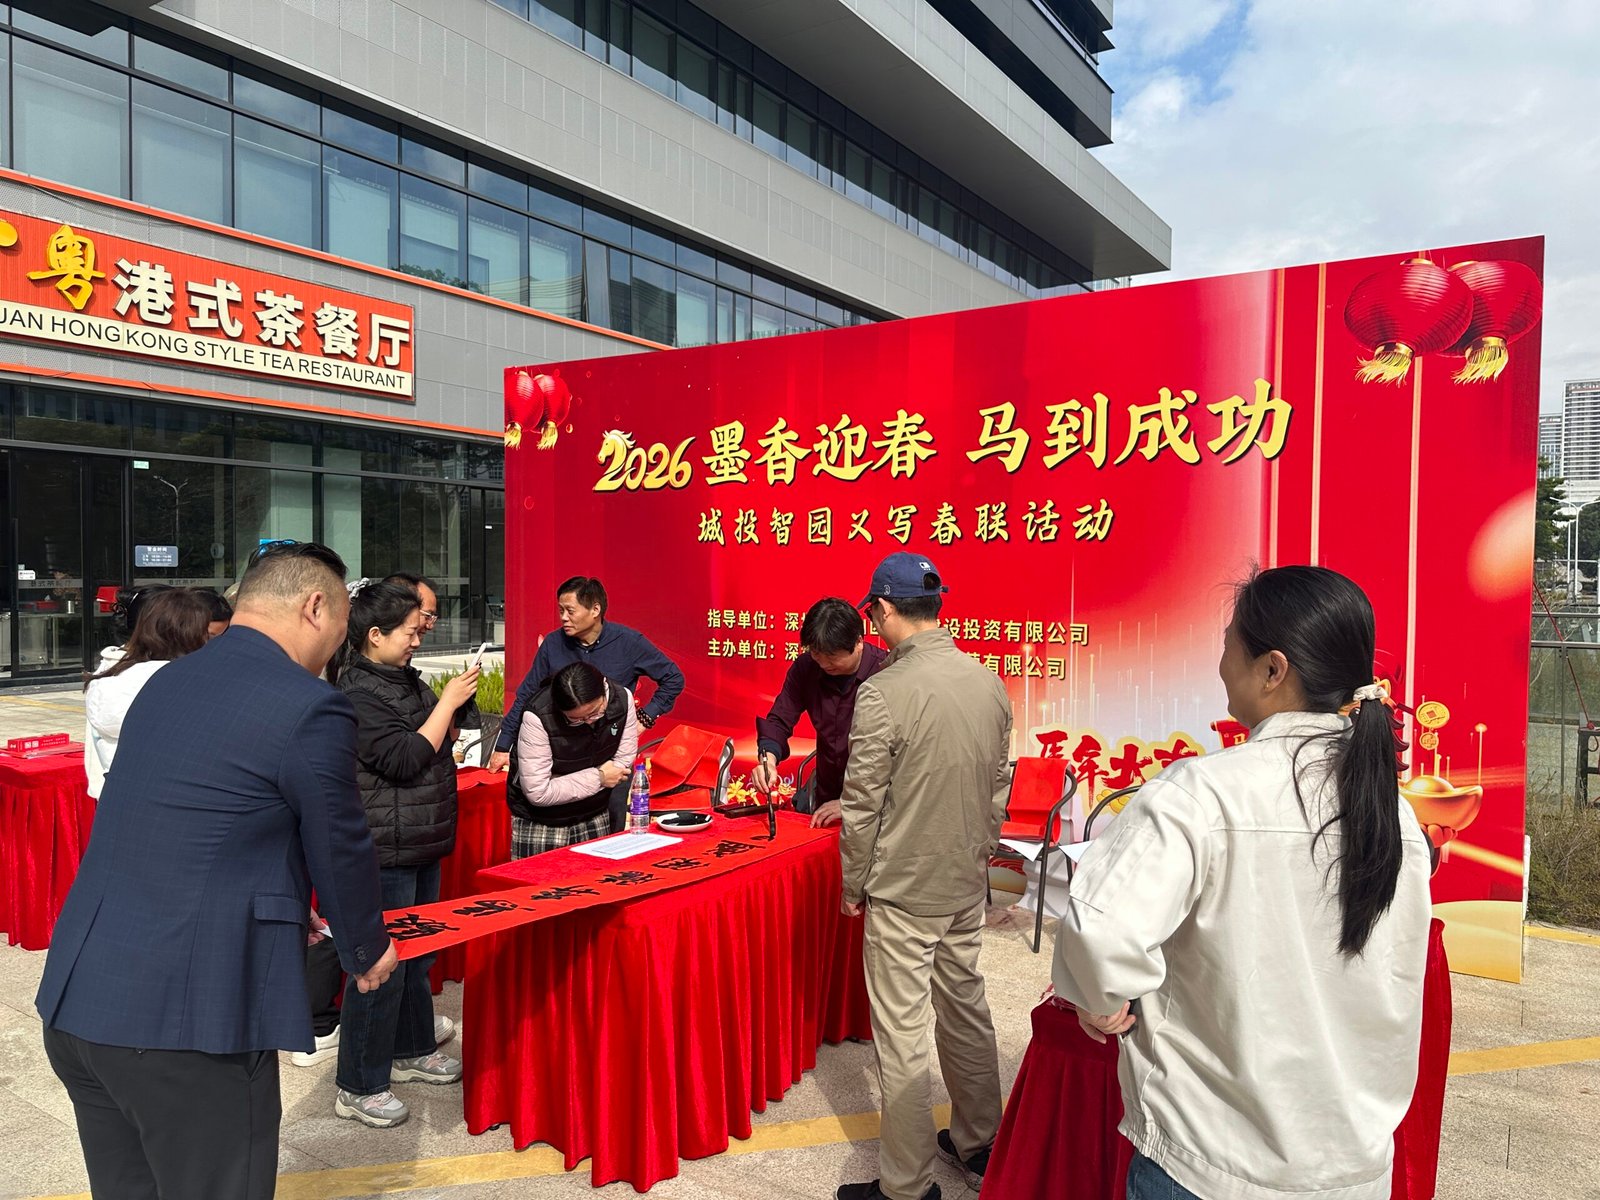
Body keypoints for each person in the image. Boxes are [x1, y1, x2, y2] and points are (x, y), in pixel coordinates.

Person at [1051, 566, 1433, 1200]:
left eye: (1229, 641)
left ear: (1272, 669)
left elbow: (1099, 931)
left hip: (1209, 1159)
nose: (1221, 661)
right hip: (1350, 1165)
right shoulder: (1393, 813)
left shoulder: (1201, 794)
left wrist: (1104, 999)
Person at [36, 541, 396, 1200]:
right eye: (342, 627)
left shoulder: (165, 679)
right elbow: (340, 842)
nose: (337, 649)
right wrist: (366, 947)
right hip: (186, 1024)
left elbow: (198, 822)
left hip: (82, 1001)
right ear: (315, 607)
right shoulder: (307, 703)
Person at [836, 552, 1013, 1200]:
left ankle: (905, 1187)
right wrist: (979, 849)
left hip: (904, 892)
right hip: (964, 882)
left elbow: (862, 808)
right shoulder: (987, 681)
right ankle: (981, 1145)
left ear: (881, 611)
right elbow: (1000, 781)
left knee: (903, 1038)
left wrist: (852, 887)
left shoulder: (884, 693)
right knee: (966, 1011)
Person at [325, 579, 479, 1127]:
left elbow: (435, 738)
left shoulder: (402, 679)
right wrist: (448, 705)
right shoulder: (356, 693)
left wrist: (454, 706)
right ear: (374, 635)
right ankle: (359, 1083)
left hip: (418, 838)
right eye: (411, 631)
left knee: (418, 956)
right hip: (385, 848)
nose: (419, 639)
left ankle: (412, 1050)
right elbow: (406, 757)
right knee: (380, 966)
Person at [490, 576, 682, 829]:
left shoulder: (629, 643)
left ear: (595, 610)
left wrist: (645, 718)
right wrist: (503, 745)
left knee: (608, 833)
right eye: (560, 610)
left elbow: (673, 678)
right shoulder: (553, 644)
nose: (563, 618)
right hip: (563, 758)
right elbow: (527, 696)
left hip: (610, 756)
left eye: (570, 610)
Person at [753, 596, 888, 826]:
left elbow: (902, 756)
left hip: (877, 808)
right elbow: (779, 719)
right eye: (816, 653)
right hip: (826, 800)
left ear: (858, 642)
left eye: (833, 657)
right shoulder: (807, 668)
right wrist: (769, 760)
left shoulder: (886, 672)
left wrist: (854, 804)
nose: (824, 664)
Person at [82, 588, 211, 801]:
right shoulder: (180, 682)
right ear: (187, 633)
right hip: (175, 804)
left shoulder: (110, 674)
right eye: (205, 631)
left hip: (114, 799)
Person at [508, 661, 639, 857]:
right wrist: (600, 777)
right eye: (576, 719)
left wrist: (560, 780)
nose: (588, 721)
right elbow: (538, 792)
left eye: (595, 712)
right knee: (541, 886)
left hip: (595, 813)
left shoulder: (622, 698)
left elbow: (622, 763)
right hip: (543, 823)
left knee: (593, 884)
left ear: (604, 688)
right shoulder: (538, 715)